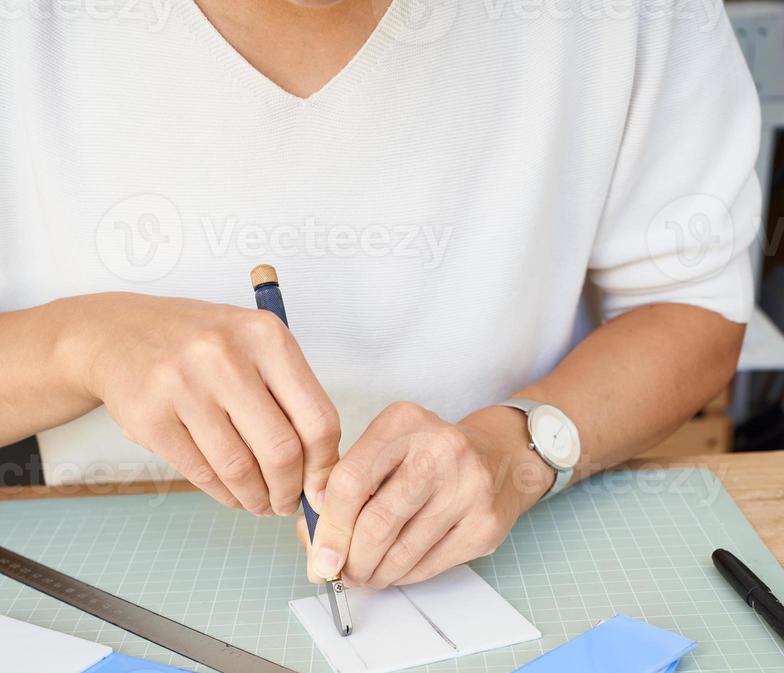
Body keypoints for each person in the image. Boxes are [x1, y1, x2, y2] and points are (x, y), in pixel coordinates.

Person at [0, 0, 760, 590]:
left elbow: (690, 304)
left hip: (516, 551)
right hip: (80, 558)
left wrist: (518, 450)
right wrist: (79, 346)